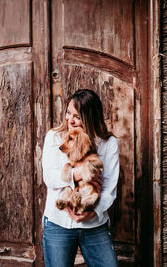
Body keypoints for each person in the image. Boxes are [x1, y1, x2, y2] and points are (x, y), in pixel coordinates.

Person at [42, 89, 119, 267]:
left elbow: (109, 189)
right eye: (68, 112)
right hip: (58, 223)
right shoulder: (54, 138)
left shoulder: (108, 144)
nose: (70, 119)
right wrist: (76, 174)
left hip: (95, 225)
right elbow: (50, 177)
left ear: (89, 117)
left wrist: (93, 212)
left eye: (77, 116)